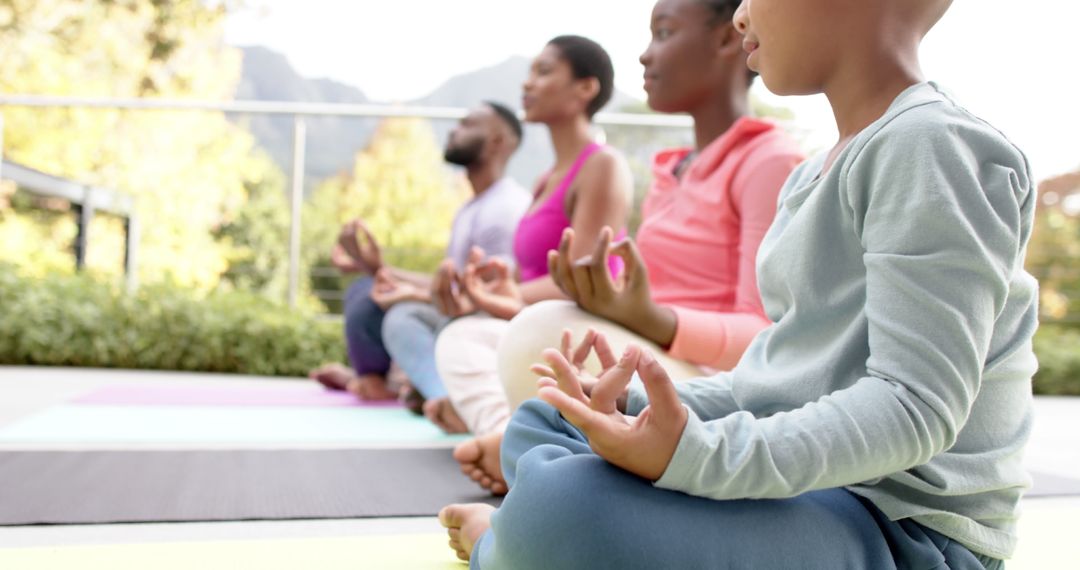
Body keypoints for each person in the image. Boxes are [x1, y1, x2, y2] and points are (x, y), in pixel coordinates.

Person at [440, 0, 1038, 567]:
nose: (743, 13)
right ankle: (540, 524)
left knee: (563, 510)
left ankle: (509, 540)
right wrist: (638, 406)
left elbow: (913, 409)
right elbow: (775, 380)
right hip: (816, 491)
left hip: (903, 534)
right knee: (547, 418)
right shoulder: (810, 176)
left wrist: (692, 455)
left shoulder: (933, 146)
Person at [440, 0, 803, 495]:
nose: (644, 57)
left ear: (726, 38)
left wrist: (651, 320)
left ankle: (533, 443)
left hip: (715, 386)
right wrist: (603, 299)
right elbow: (650, 297)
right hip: (653, 351)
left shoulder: (769, 160)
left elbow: (767, 335)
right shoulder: (671, 171)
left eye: (665, 33)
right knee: (475, 338)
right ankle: (531, 440)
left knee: (534, 333)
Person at [417, 34, 633, 431]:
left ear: (585, 88)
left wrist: (501, 297)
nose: (527, 84)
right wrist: (486, 283)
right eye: (530, 72)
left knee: (461, 338)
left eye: (544, 72)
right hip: (533, 319)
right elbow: (528, 274)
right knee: (453, 331)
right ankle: (499, 423)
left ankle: (501, 436)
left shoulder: (602, 166)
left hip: (580, 327)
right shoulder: (542, 180)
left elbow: (581, 282)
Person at [308, 101, 530, 407]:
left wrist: (408, 293)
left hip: (481, 322)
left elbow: (485, 295)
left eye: (468, 124)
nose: (455, 129)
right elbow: (446, 282)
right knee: (366, 289)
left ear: (498, 142)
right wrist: (376, 268)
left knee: (401, 315)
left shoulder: (506, 207)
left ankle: (448, 400)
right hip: (455, 311)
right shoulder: (471, 208)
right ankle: (384, 383)